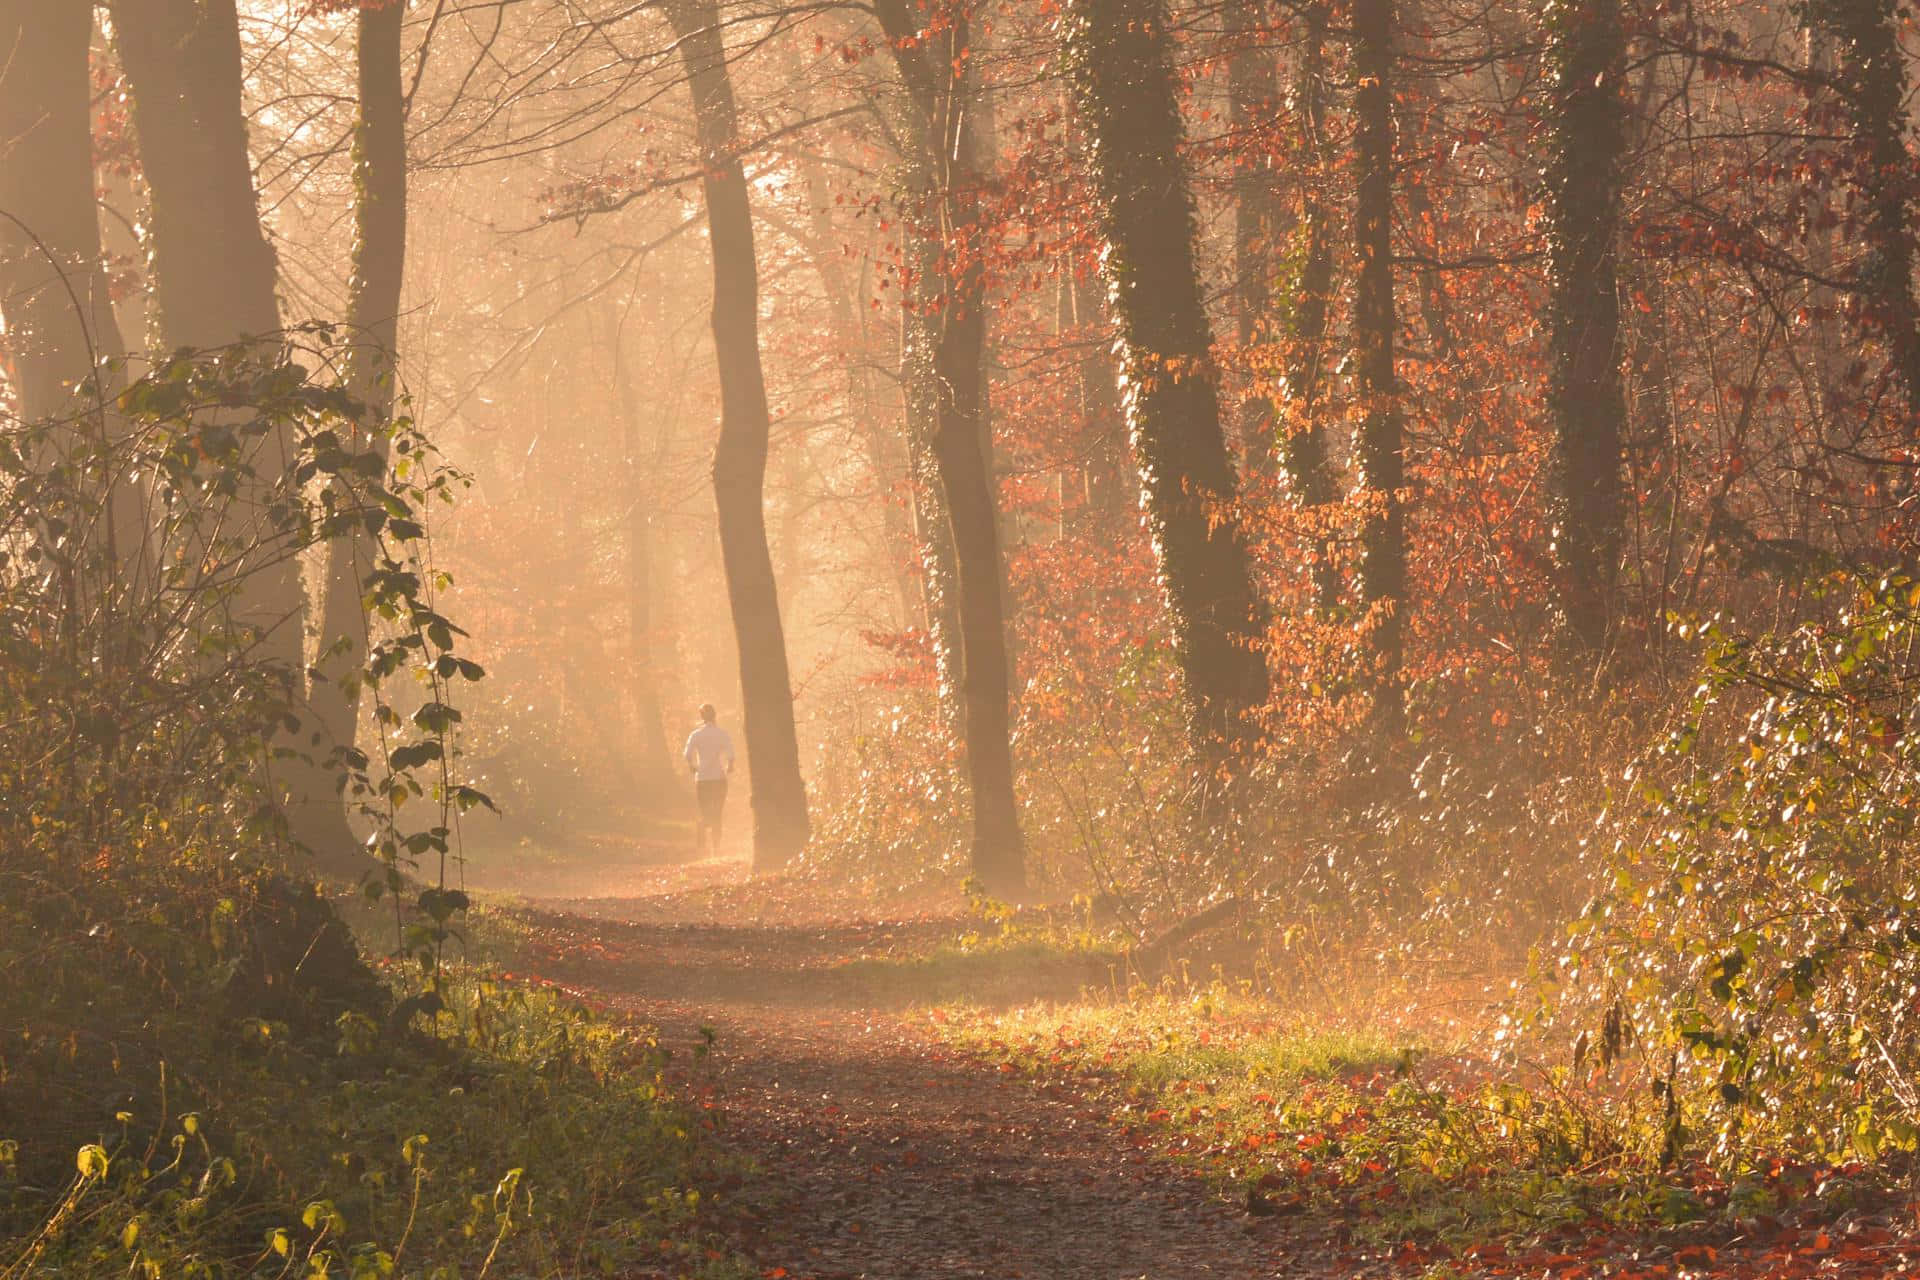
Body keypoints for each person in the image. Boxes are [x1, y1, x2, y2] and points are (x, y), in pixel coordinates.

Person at [683, 703, 736, 855]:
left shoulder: (696, 734)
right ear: (715, 716)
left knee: (705, 811)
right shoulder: (722, 734)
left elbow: (687, 754)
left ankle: (701, 827)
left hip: (703, 779)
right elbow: (730, 752)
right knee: (718, 812)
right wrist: (730, 765)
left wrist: (692, 766)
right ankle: (716, 847)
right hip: (719, 778)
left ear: (702, 717)